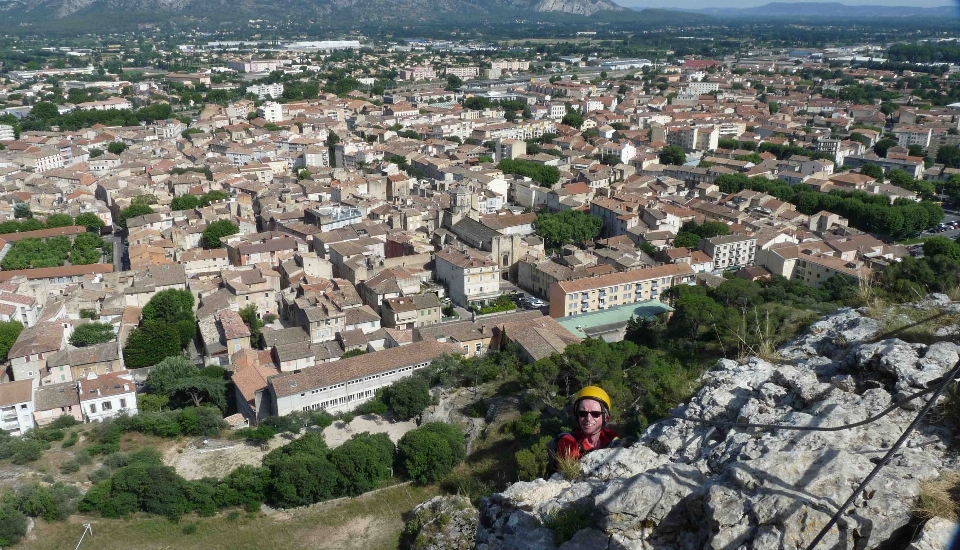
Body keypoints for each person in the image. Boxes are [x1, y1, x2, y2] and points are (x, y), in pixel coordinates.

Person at [555, 386, 619, 461]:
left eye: (595, 414)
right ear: (577, 416)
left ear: (606, 417)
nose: (588, 419)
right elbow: (570, 472)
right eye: (582, 413)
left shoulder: (611, 437)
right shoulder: (568, 443)